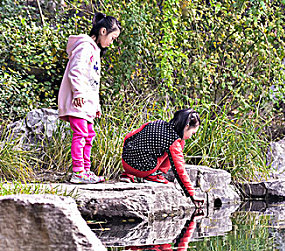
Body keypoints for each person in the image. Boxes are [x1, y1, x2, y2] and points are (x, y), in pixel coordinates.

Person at [58, 13, 121, 184]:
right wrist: (78, 93)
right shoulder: (85, 46)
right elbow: (76, 71)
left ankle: (86, 170)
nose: (112, 43)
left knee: (89, 135)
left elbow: (93, 83)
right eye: (112, 38)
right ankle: (78, 171)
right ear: (103, 31)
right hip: (78, 100)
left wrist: (96, 106)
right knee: (80, 133)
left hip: (87, 104)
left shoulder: (95, 50)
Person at [120, 108, 205, 208]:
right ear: (186, 126)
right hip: (143, 170)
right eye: (193, 133)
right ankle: (154, 175)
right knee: (179, 143)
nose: (191, 136)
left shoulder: (157, 123)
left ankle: (128, 174)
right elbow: (179, 169)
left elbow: (129, 136)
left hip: (125, 162)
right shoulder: (174, 141)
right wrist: (192, 194)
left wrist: (126, 154)